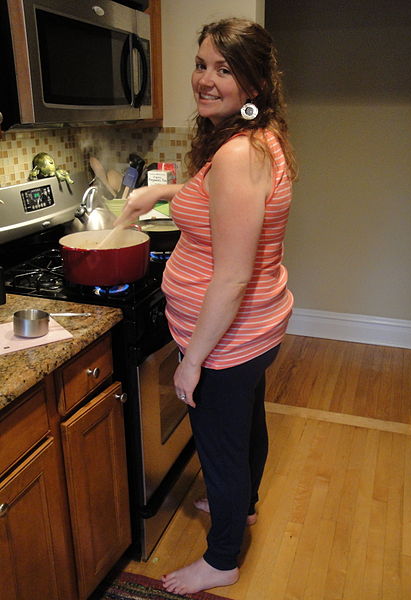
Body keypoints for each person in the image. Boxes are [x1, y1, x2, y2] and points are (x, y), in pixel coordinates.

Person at [114, 17, 297, 595]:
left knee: (219, 445)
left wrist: (191, 360)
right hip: (253, 332)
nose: (205, 79)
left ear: (255, 84)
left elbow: (233, 275)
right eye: (201, 64)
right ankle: (242, 505)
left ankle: (221, 560)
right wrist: (164, 191)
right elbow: (219, 199)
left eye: (225, 69)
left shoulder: (239, 153)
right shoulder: (253, 139)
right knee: (245, 429)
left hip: (224, 340)